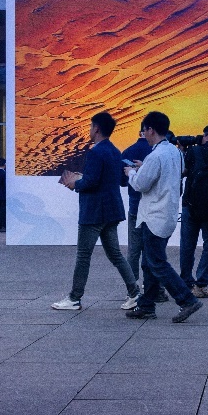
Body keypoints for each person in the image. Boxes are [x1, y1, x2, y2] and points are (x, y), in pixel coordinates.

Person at [54, 112, 141, 311]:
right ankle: (134, 293)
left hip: (93, 212)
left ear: (97, 128)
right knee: (116, 255)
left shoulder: (95, 152)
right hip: (111, 211)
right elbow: (119, 180)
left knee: (83, 256)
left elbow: (91, 181)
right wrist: (84, 179)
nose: (89, 130)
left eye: (91, 126)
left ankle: (74, 298)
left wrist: (75, 183)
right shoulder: (115, 151)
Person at [125, 112, 202, 323]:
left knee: (156, 262)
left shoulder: (155, 156)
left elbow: (140, 184)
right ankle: (147, 305)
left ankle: (187, 299)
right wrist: (143, 168)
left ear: (150, 130)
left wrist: (131, 173)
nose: (144, 134)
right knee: (150, 262)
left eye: (144, 130)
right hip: (166, 213)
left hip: (154, 215)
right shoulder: (174, 152)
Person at [180, 123, 208, 298]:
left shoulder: (194, 151)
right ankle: (202, 284)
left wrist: (183, 150)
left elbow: (183, 172)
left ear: (207, 136)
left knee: (187, 245)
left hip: (191, 204)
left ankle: (186, 283)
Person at [120, 129, 153, 283]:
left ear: (140, 132)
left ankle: (132, 287)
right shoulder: (156, 152)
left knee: (133, 250)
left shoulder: (128, 152)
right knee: (151, 249)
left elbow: (122, 182)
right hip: (153, 207)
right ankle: (153, 286)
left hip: (135, 206)